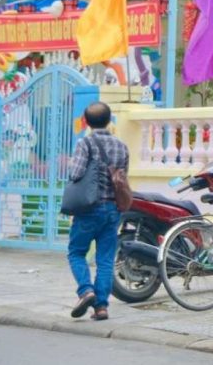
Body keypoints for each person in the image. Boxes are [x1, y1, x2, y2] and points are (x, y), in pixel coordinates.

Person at [65, 101, 130, 321]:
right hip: (113, 209)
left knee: (76, 252)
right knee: (105, 260)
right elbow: (122, 178)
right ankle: (101, 307)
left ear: (87, 122)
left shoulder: (86, 143)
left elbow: (75, 174)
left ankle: (86, 290)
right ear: (109, 119)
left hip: (89, 209)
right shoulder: (122, 146)